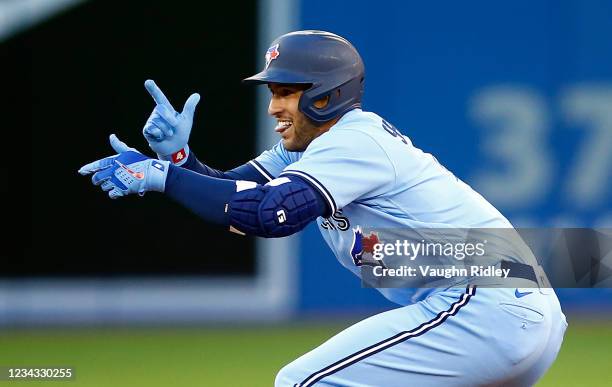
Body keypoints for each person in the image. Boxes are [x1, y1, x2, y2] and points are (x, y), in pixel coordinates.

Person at [79, 30, 567, 386]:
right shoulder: (306, 150)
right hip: (510, 311)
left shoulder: (354, 140)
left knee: (301, 382)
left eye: (287, 91)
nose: (273, 107)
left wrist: (160, 176)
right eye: (273, 93)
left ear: (326, 95)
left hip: (484, 305)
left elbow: (267, 216)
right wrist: (178, 161)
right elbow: (233, 199)